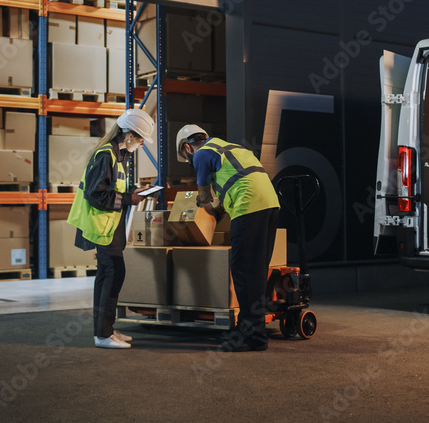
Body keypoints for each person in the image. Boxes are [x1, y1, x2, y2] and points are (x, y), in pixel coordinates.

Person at [176, 124, 280, 352]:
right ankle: (248, 327)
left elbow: (203, 196)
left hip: (249, 205)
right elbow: (235, 182)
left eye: (186, 156)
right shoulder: (227, 147)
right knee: (257, 270)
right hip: (270, 203)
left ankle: (254, 337)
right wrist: (220, 209)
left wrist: (201, 208)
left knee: (243, 269)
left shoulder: (201, 154)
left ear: (187, 147)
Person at [68, 108, 155, 349]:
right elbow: (97, 194)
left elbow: (112, 187)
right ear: (128, 134)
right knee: (113, 273)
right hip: (101, 226)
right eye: (139, 139)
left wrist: (132, 193)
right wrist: (129, 199)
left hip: (110, 224)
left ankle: (105, 330)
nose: (140, 144)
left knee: (109, 275)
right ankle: (103, 335)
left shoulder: (118, 155)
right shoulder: (105, 155)